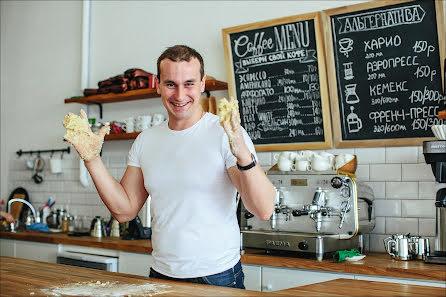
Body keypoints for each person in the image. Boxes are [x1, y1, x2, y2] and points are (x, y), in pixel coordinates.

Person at [64, 45, 275, 289]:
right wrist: (92, 159)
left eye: (189, 83)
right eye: (171, 84)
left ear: (203, 83)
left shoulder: (226, 133)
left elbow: (263, 210)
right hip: (161, 275)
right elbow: (124, 211)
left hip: (217, 277)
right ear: (158, 85)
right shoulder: (146, 140)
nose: (180, 94)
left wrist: (243, 154)